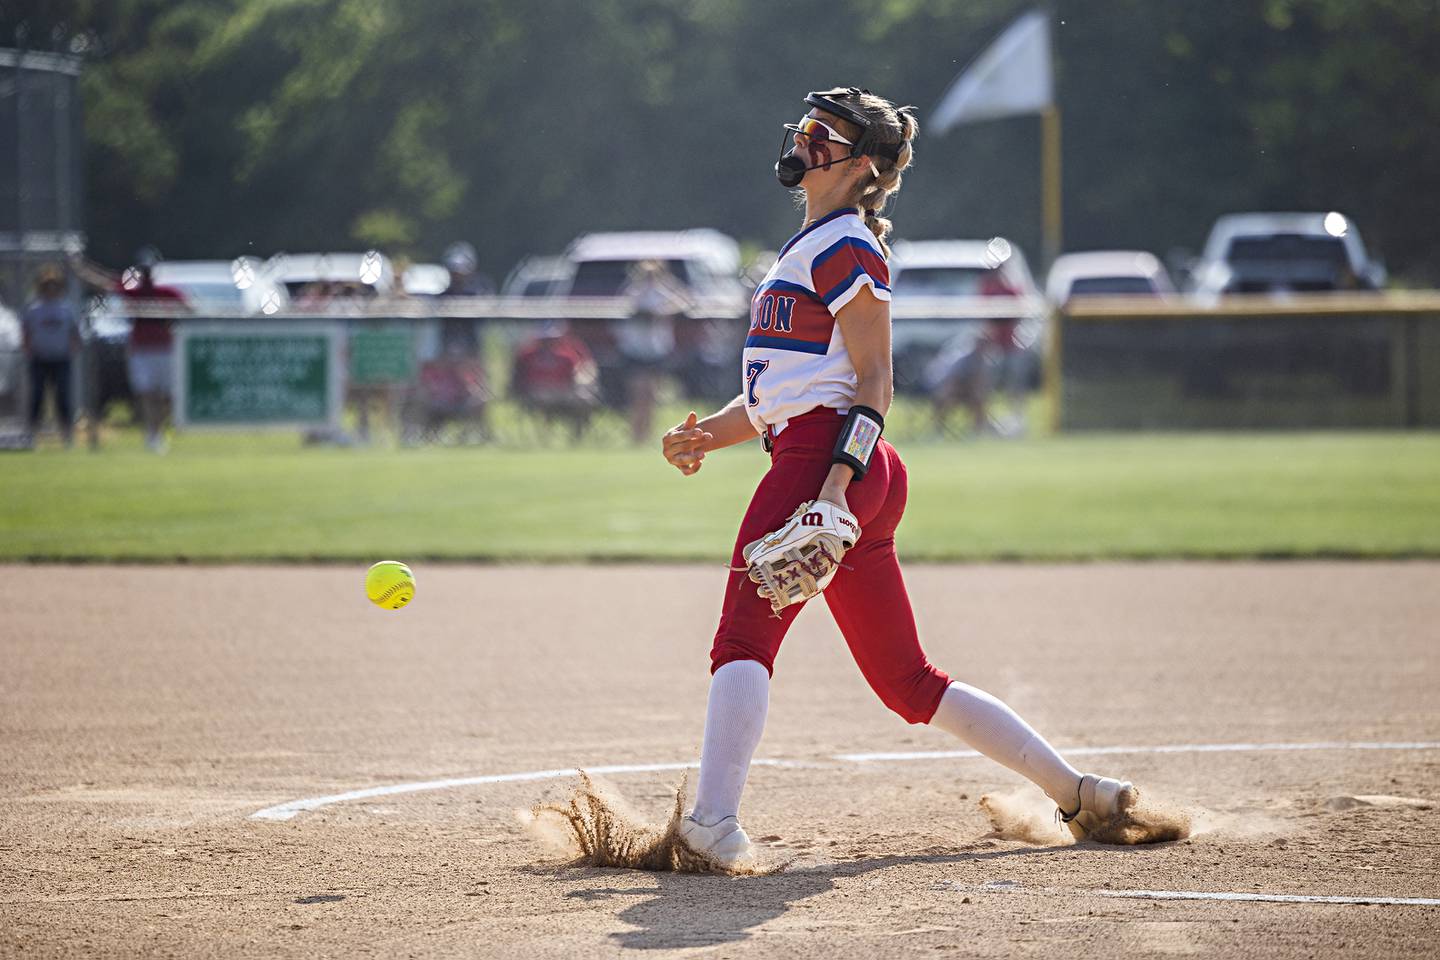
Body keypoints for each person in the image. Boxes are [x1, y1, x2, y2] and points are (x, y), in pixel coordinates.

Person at [659, 87, 1138, 868]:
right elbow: (786, 389)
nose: (808, 141)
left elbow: (874, 379)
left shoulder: (847, 244)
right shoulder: (807, 246)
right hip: (833, 459)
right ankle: (1078, 793)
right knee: (908, 681)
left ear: (862, 169)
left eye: (828, 137)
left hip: (829, 463)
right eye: (808, 127)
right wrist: (709, 434)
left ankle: (711, 821)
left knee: (743, 637)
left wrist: (833, 490)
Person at [118, 255, 188, 453]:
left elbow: (188, 306)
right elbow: (106, 284)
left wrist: (169, 316)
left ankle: (158, 430)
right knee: (147, 393)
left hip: (164, 349)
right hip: (141, 350)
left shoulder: (164, 292)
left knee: (164, 395)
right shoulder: (133, 293)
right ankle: (152, 433)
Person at [19, 265, 81, 447]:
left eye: (54, 285)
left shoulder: (66, 309)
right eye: (47, 285)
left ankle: (67, 436)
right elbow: (26, 333)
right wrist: (28, 349)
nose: (51, 289)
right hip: (39, 359)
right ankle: (31, 436)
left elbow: (74, 333)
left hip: (61, 359)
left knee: (63, 398)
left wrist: (73, 348)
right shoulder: (33, 309)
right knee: (37, 397)